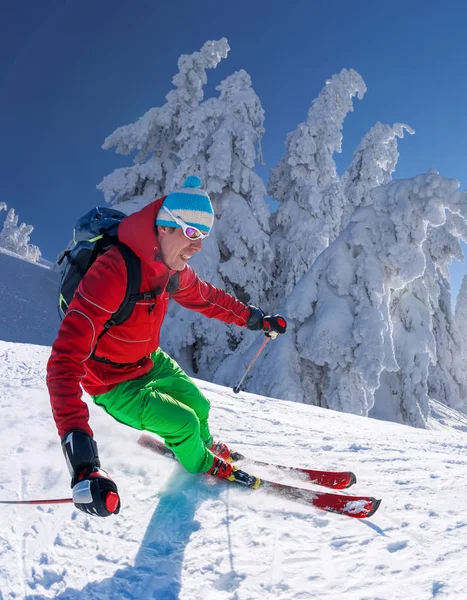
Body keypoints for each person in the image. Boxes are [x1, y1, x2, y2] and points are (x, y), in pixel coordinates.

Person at [47, 176, 287, 517]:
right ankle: (201, 463)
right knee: (184, 422)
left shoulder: (171, 268)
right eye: (191, 233)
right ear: (164, 227)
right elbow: (63, 362)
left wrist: (256, 319)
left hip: (149, 361)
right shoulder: (113, 271)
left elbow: (209, 299)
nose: (198, 246)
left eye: (202, 237)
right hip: (112, 382)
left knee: (199, 406)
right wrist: (83, 461)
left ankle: (202, 447)